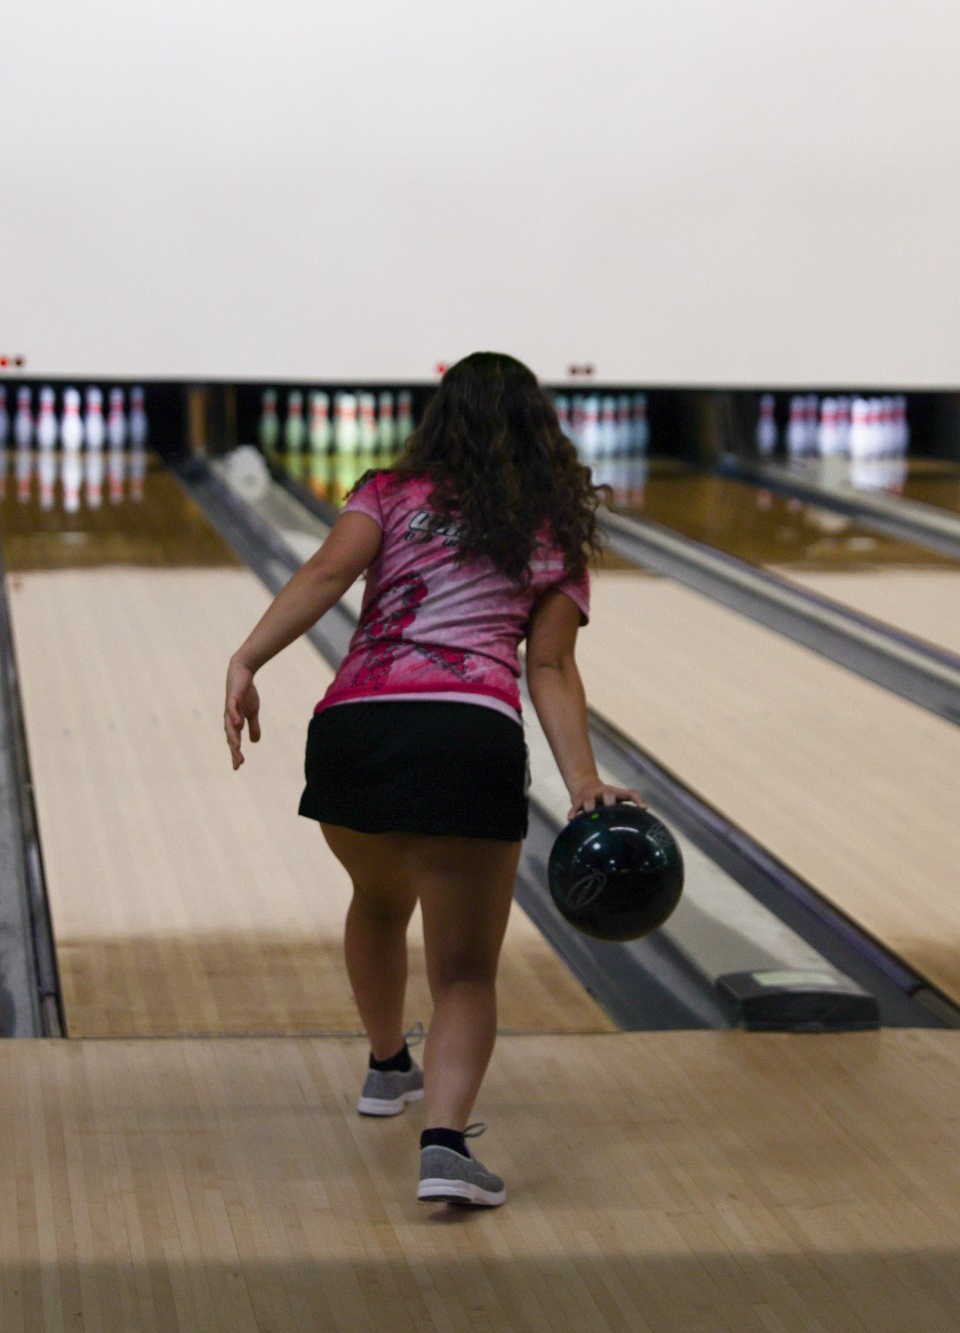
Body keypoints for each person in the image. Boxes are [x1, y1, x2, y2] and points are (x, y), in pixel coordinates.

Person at [222, 351, 639, 1208]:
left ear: (438, 420)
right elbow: (549, 666)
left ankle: (386, 1066)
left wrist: (246, 657)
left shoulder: (388, 491)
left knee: (378, 900)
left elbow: (326, 575)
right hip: (466, 736)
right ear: (541, 429)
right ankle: (444, 1143)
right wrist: (585, 781)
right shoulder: (554, 527)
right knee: (463, 974)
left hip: (355, 730)